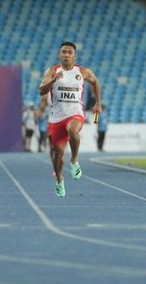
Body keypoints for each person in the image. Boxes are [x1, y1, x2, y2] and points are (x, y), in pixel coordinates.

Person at [39, 41, 102, 197]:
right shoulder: (52, 71)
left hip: (75, 113)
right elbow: (41, 91)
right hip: (56, 118)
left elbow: (95, 82)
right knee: (57, 156)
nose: (66, 55)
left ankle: (74, 161)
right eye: (63, 52)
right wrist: (53, 80)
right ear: (60, 54)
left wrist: (97, 103)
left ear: (74, 55)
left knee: (73, 130)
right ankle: (60, 180)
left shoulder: (83, 71)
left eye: (69, 52)